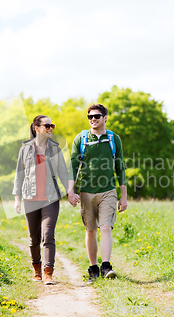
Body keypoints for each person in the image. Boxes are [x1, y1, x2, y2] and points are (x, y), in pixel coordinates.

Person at [68, 104, 127, 282]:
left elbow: (120, 167)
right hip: (86, 191)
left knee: (106, 227)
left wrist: (123, 196)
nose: (93, 119)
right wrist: (70, 191)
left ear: (105, 117)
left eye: (97, 116)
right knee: (91, 230)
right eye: (90, 117)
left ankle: (106, 266)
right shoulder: (81, 139)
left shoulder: (113, 139)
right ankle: (93, 268)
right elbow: (72, 166)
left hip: (108, 190)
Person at [12, 115, 73, 285]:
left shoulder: (55, 150)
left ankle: (48, 273)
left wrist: (71, 193)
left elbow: (63, 173)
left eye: (52, 125)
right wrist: (17, 199)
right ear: (36, 128)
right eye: (47, 125)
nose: (51, 128)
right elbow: (19, 175)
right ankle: (36, 269)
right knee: (33, 238)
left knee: (48, 235)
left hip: (50, 198)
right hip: (30, 198)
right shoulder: (25, 149)